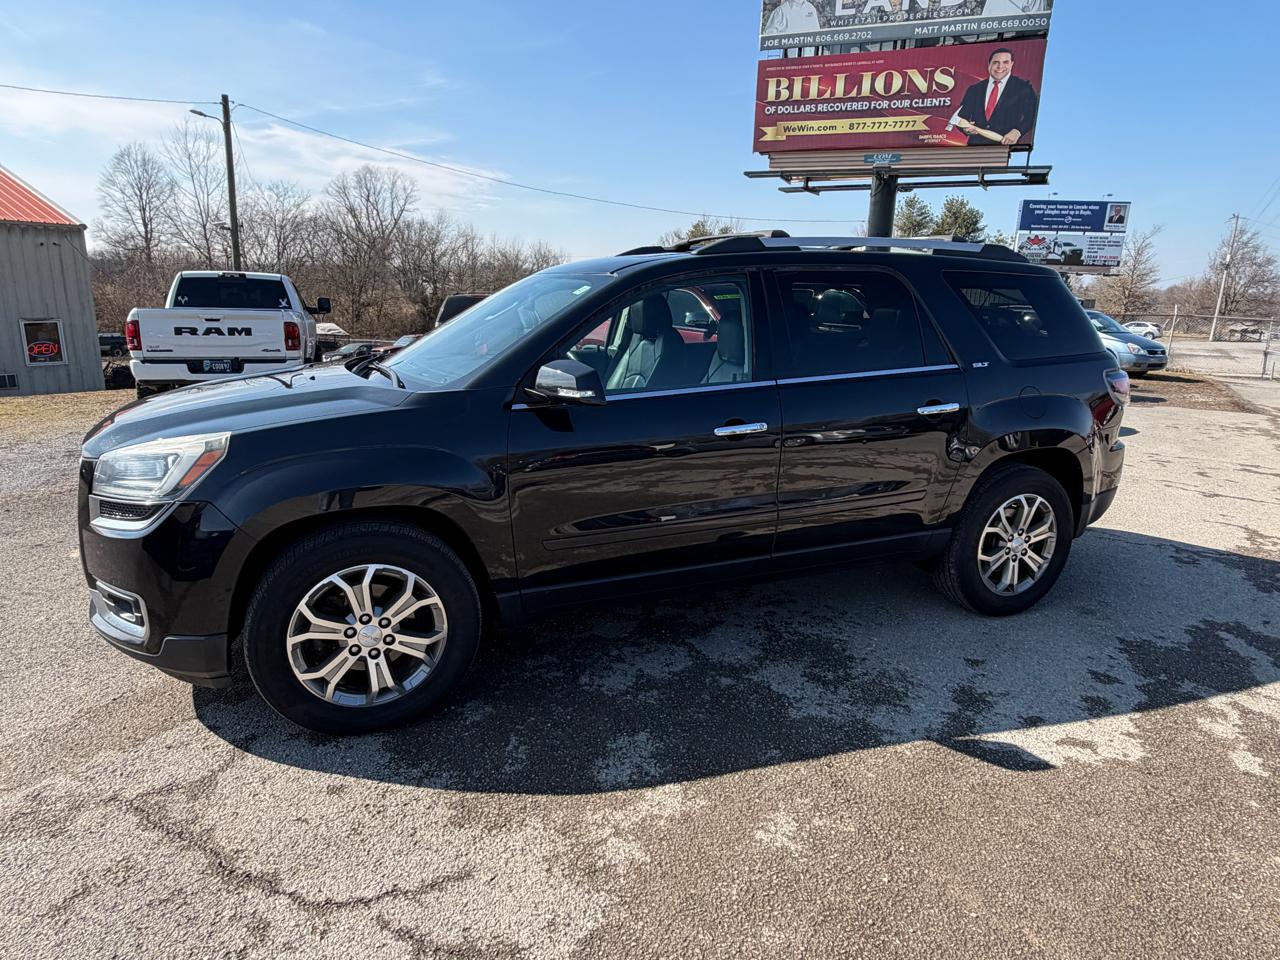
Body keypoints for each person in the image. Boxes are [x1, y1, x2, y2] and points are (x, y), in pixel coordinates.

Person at [954, 47, 1039, 147]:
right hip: (974, 147)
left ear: (1012, 64)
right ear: (989, 65)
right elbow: (960, 116)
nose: (1000, 66)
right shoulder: (974, 89)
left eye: (1005, 62)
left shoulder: (1023, 88)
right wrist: (965, 128)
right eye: (996, 62)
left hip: (1003, 147)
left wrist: (1017, 131)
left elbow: (1032, 116)